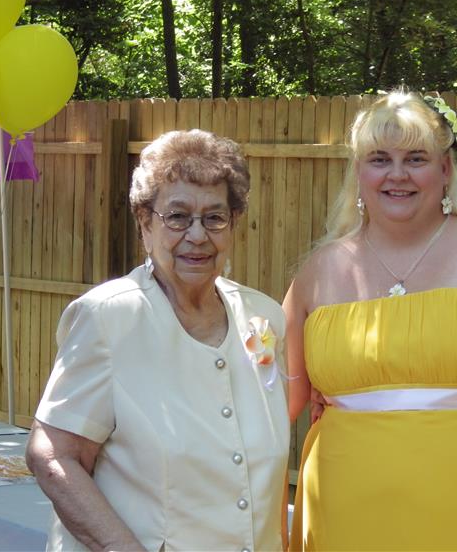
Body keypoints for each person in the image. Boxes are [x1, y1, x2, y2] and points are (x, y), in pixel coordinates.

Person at [284, 91, 457, 551]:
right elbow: (274, 404)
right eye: (380, 159)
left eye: (415, 158)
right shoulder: (321, 269)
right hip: (344, 516)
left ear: (445, 169)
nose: (397, 174)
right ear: (358, 172)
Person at [26, 130, 289, 551]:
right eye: (178, 216)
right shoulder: (109, 318)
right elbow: (53, 454)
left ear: (235, 224)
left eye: (215, 217)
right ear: (145, 224)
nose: (198, 235)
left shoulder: (263, 318)